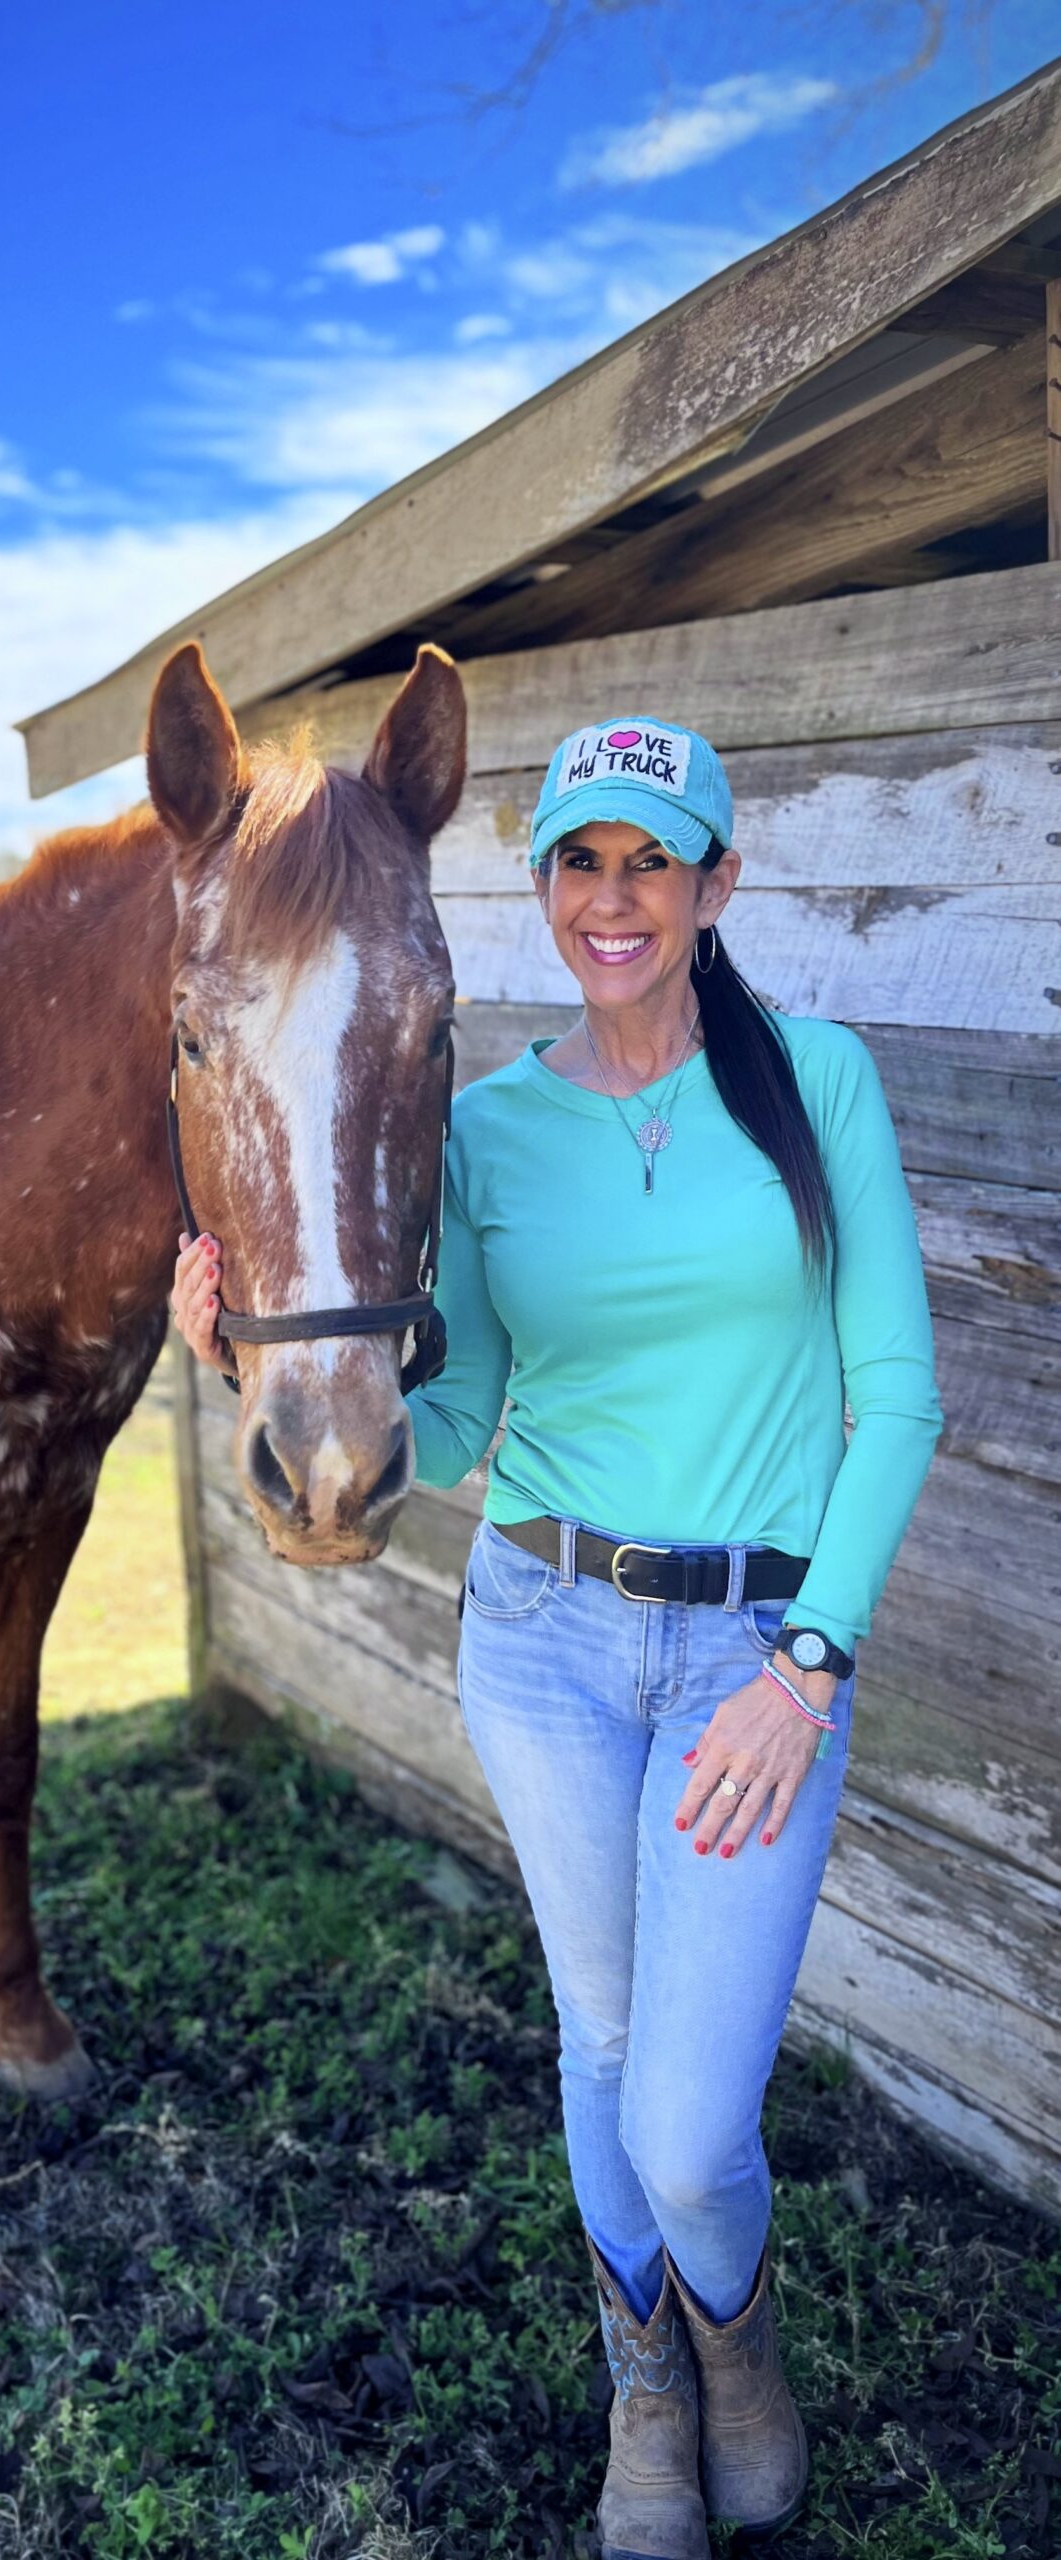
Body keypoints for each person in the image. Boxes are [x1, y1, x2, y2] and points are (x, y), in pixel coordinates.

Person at [170, 714, 942, 2560]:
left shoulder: (815, 1083)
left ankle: (737, 2353)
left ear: (712, 888)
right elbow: (464, 1420)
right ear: (546, 891)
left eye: (652, 862)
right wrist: (256, 1382)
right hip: (539, 1637)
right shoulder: (495, 1124)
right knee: (598, 2039)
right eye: (582, 862)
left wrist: (808, 1664)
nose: (615, 898)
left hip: (756, 1664)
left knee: (689, 2124)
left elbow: (895, 1401)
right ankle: (649, 2392)